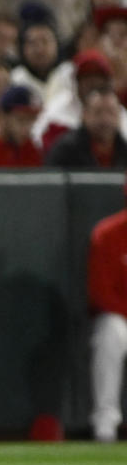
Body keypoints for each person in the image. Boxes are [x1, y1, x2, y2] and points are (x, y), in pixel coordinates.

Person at [88, 181, 127, 442]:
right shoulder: (108, 232)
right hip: (120, 317)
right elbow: (99, 293)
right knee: (110, 334)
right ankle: (106, 423)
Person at [46, 88, 127, 168]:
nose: (105, 119)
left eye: (111, 112)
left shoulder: (124, 149)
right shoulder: (65, 150)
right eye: (98, 112)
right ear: (84, 115)